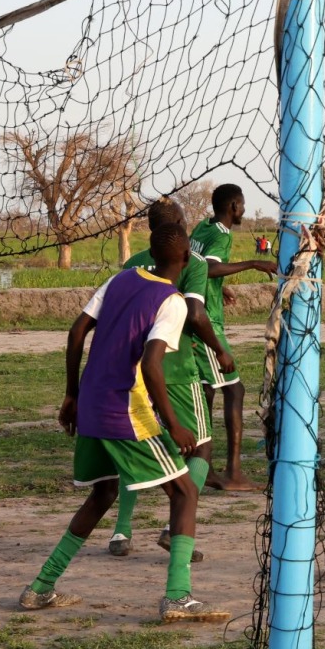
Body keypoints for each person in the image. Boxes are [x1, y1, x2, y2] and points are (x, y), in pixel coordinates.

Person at [21, 222, 228, 624]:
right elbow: (152, 364)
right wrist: (173, 423)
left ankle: (40, 589)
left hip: (91, 405)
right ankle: (178, 598)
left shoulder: (119, 280)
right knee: (185, 492)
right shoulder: (172, 301)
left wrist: (72, 394)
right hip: (124, 411)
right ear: (186, 259)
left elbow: (77, 331)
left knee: (102, 494)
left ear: (151, 253)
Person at [108, 199, 241, 559]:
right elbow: (196, 313)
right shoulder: (191, 262)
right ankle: (174, 525)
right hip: (177, 368)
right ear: (181, 227)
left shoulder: (133, 263)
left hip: (134, 372)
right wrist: (218, 348)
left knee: (139, 442)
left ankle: (121, 531)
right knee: (202, 445)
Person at [188, 184, 281, 489]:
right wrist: (255, 263)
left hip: (194, 310)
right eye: (241, 205)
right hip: (206, 322)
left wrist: (217, 286)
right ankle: (232, 472)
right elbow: (211, 267)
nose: (243, 210)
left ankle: (203, 468)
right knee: (235, 389)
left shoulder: (202, 227)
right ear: (233, 206)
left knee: (208, 392)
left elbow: (195, 265)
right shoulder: (221, 234)